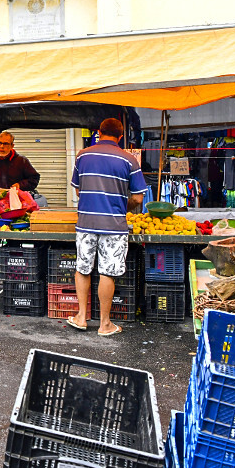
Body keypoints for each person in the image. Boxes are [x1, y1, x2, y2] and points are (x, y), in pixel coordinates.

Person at [68, 118, 147, 337]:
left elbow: (77, 191)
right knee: (107, 272)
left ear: (99, 133)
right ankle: (105, 324)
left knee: (83, 268)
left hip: (86, 223)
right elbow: (138, 199)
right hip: (114, 225)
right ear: (120, 137)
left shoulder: (82, 156)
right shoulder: (129, 159)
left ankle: (81, 317)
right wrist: (124, 204)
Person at [0, 131, 41, 289]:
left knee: (14, 243)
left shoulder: (21, 161)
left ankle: (13, 278)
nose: (1, 146)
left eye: (5, 144)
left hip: (15, 212)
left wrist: (20, 185)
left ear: (12, 145)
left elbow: (34, 179)